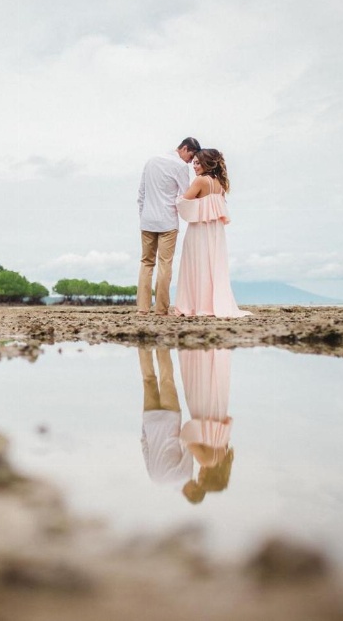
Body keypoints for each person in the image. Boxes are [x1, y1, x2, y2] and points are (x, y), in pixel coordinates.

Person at [173, 148, 251, 318]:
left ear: (207, 163)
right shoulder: (220, 184)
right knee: (213, 266)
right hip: (216, 231)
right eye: (194, 162)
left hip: (199, 230)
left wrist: (175, 198)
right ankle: (211, 303)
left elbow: (184, 202)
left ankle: (195, 306)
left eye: (198, 163)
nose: (194, 166)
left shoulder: (201, 181)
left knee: (197, 264)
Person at [136, 137, 201, 316]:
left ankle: (142, 308)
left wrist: (144, 216)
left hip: (147, 220)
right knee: (165, 264)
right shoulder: (180, 167)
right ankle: (161, 309)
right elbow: (184, 196)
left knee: (146, 263)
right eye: (191, 156)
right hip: (168, 222)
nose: (190, 161)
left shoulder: (151, 161)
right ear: (185, 148)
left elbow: (141, 193)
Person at [178, 348, 235, 504]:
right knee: (198, 380)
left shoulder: (224, 457)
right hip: (202, 412)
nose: (199, 475)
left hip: (218, 410)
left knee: (214, 384)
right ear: (209, 477)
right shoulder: (206, 461)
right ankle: (197, 353)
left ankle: (211, 354)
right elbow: (188, 442)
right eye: (201, 478)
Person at [138, 346, 192, 485]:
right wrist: (145, 425)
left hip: (170, 421)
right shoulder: (154, 479)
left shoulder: (184, 476)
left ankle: (162, 344)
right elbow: (145, 447)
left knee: (166, 379)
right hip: (151, 421)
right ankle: (143, 343)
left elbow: (188, 446)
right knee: (148, 379)